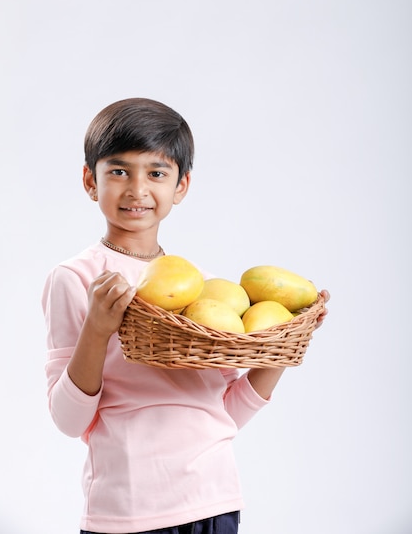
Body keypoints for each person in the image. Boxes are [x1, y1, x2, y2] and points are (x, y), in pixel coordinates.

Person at [42, 97, 329, 534]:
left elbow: (224, 413)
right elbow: (68, 420)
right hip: (128, 509)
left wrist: (282, 345)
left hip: (215, 501)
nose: (137, 189)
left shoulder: (204, 291)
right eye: (118, 171)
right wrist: (97, 330)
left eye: (157, 173)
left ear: (181, 186)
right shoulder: (77, 278)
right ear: (90, 180)